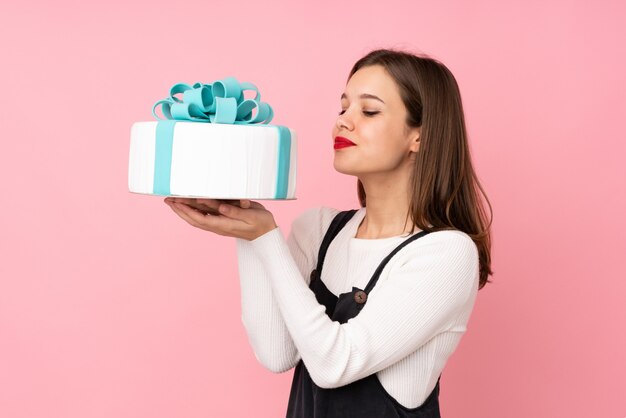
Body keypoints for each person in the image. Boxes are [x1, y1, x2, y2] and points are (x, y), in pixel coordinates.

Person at [164, 48, 493, 417]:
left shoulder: (445, 252)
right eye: (343, 108)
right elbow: (276, 353)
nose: (343, 122)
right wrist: (246, 228)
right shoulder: (320, 229)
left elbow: (334, 364)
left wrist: (266, 237)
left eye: (368, 111)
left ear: (420, 136)